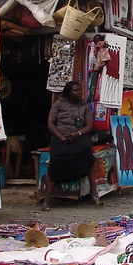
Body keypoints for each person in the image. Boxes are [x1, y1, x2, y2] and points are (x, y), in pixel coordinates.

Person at [40, 81, 101, 210]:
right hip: (60, 137)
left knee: (87, 155)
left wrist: (77, 134)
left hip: (77, 137)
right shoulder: (59, 104)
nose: (79, 93)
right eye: (76, 91)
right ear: (69, 92)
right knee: (55, 163)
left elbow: (89, 125)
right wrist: (61, 137)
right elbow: (50, 123)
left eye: (80, 90)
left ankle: (93, 193)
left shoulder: (84, 106)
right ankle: (47, 201)